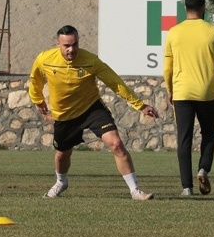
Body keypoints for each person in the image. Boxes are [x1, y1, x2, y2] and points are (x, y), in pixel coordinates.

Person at [28, 25, 160, 200]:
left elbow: (115, 82)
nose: (71, 49)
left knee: (116, 144)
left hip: (91, 108)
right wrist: (38, 100)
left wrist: (140, 105)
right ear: (57, 43)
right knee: (62, 154)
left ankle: (135, 190)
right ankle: (61, 182)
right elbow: (35, 80)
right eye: (66, 45)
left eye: (74, 44)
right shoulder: (45, 59)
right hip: (64, 114)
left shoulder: (90, 60)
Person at [163, 0, 214, 197]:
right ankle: (203, 169)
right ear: (203, 8)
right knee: (208, 133)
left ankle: (187, 188)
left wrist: (170, 89)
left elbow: (167, 67)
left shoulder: (174, 32)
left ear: (185, 8)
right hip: (206, 93)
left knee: (184, 139)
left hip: (182, 92)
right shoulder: (213, 31)